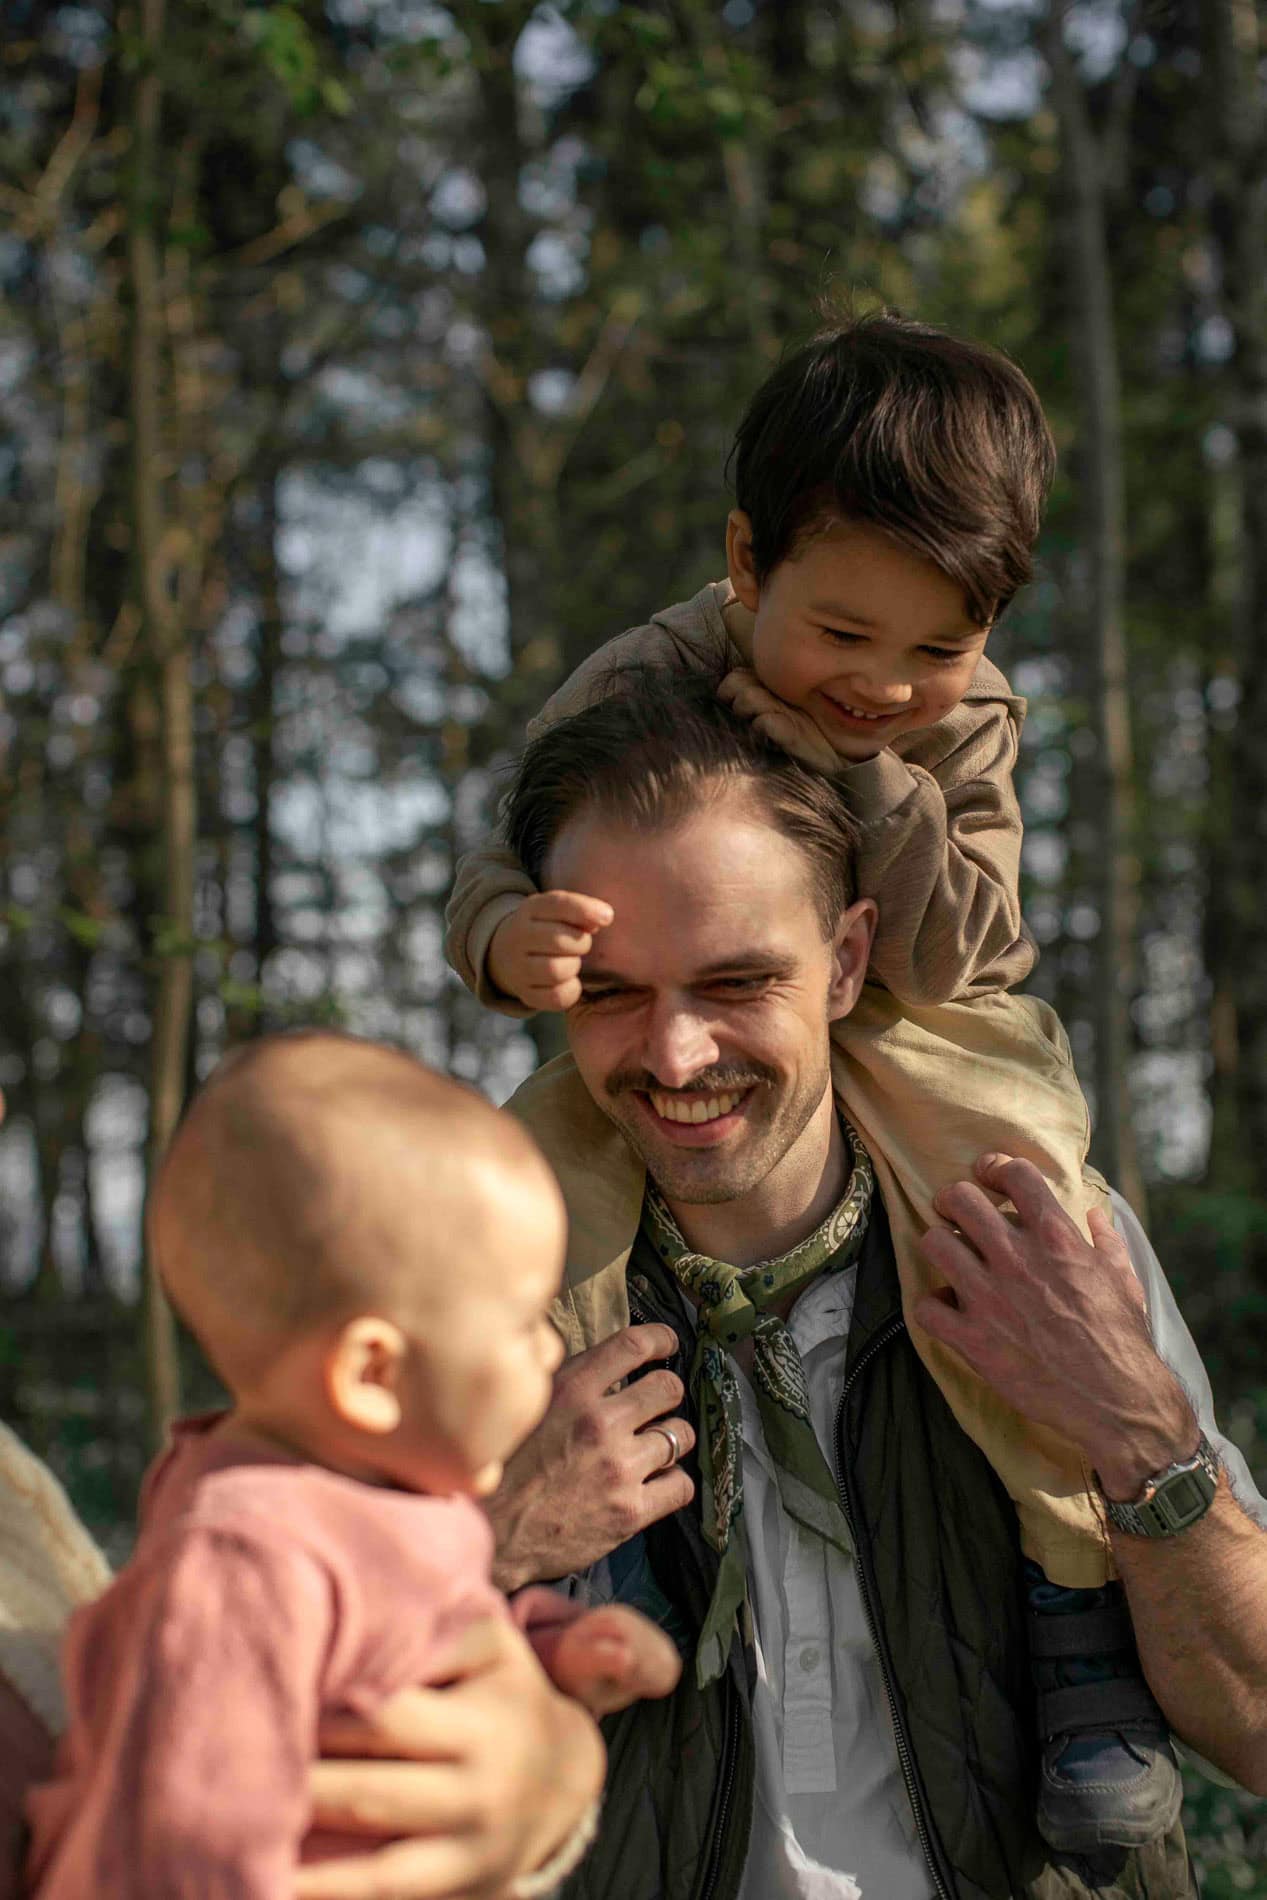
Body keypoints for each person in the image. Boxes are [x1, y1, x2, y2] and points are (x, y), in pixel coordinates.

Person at [445, 308, 1175, 1848]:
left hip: (915, 1029)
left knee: (1014, 1212)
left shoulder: (952, 729)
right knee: (512, 1212)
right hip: (699, 1036)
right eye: (838, 638)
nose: (882, 681)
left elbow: (963, 950)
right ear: (742, 565)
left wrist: (864, 779)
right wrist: (513, 938)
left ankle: (1073, 1620)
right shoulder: (639, 674)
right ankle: (586, 1546)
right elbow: (499, 853)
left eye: (934, 648)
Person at [481, 674, 1267, 1900]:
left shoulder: (1046, 1242)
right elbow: (264, 1755)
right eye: (613, 992)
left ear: (845, 961)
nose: (675, 1052)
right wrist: (485, 1543)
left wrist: (1137, 1431)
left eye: (737, 983)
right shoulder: (473, 1302)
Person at [23, 1036, 678, 1899]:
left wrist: (553, 1655)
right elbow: (180, 1852)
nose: (551, 1347)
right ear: (372, 1377)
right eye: (520, 1324)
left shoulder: (378, 1502)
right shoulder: (243, 1558)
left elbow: (395, 1657)